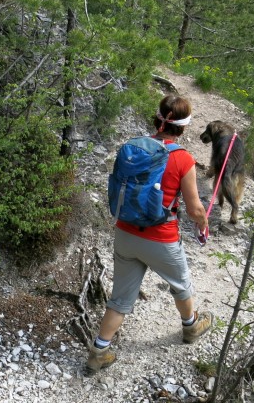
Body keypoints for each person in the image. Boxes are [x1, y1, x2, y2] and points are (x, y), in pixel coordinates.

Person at [87, 95, 213, 373]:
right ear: (184, 126)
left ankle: (99, 351)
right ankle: (191, 328)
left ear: (157, 119)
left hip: (125, 233)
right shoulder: (182, 158)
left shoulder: (131, 147)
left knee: (120, 298)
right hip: (161, 238)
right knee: (180, 284)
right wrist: (203, 224)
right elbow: (194, 209)